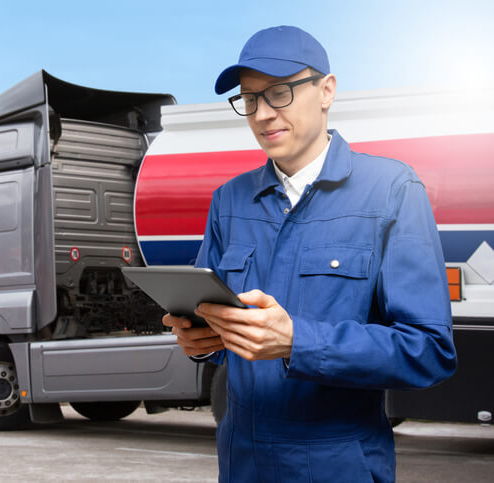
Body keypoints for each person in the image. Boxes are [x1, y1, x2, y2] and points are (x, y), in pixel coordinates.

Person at [163, 25, 456, 482]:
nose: (262, 114)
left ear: (327, 90)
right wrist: (204, 343)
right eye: (250, 99)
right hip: (243, 463)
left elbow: (429, 351)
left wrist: (298, 342)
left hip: (339, 465)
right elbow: (224, 332)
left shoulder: (391, 191)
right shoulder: (229, 201)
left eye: (279, 93)